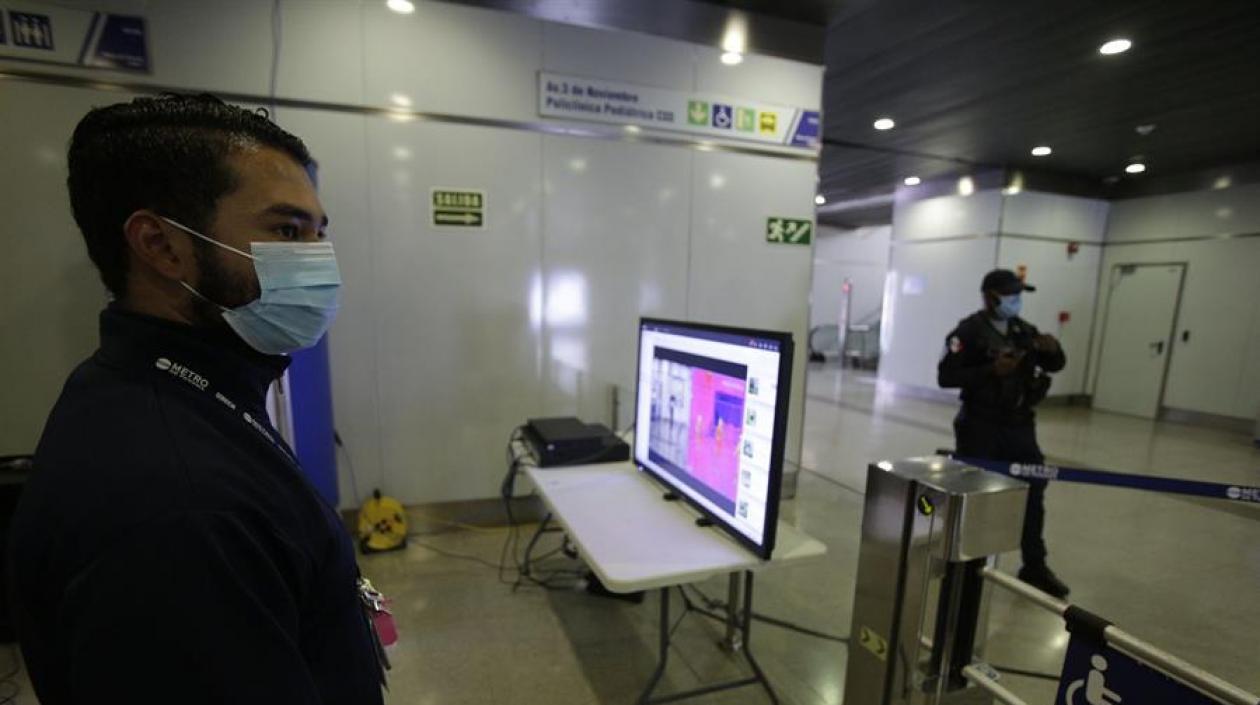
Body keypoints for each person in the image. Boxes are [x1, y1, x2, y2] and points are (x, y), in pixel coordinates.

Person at [8, 94, 386, 704]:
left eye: (319, 234)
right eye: (287, 231)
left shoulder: (152, 390)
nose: (318, 262)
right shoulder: (178, 507)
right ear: (161, 246)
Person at [937, 268, 1070, 598]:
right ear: (990, 297)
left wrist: (1053, 350)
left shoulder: (1024, 331)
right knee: (976, 496)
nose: (1016, 301)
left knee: (1033, 492)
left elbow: (1055, 365)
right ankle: (966, 564)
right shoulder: (967, 332)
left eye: (1018, 295)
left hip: (1019, 426)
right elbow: (946, 376)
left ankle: (1034, 566)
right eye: (1010, 295)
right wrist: (989, 371)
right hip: (980, 426)